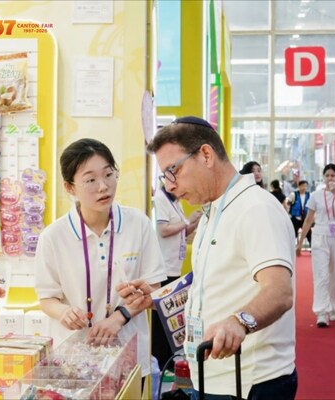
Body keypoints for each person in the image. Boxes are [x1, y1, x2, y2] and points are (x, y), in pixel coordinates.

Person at [118, 116, 297, 399]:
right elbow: (208, 284)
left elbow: (279, 291)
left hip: (249, 381)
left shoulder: (255, 208)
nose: (170, 185)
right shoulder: (211, 212)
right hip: (213, 375)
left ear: (206, 155)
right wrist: (155, 298)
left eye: (173, 170)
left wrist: (239, 321)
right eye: (165, 176)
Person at [34, 138, 166, 379]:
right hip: (74, 360)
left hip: (129, 355)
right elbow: (47, 298)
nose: (103, 186)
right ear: (70, 187)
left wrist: (119, 317)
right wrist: (64, 312)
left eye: (108, 174)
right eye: (90, 180)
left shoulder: (138, 224)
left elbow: (154, 288)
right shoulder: (53, 237)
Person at [151, 184, 202, 369]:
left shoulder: (175, 202)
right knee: (161, 318)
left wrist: (195, 222)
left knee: (170, 317)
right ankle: (161, 360)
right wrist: (188, 221)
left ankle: (168, 358)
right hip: (163, 268)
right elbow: (164, 230)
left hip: (174, 267)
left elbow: (181, 231)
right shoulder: (160, 199)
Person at [296, 164, 335, 327]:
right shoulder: (315, 195)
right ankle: (321, 312)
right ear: (323, 177)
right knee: (321, 275)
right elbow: (308, 219)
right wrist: (300, 242)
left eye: (333, 175)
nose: (330, 178)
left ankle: (334, 308)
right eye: (327, 175)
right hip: (320, 236)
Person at [288, 180, 312, 246]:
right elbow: (288, 203)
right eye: (303, 186)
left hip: (305, 218)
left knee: (309, 234)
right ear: (299, 186)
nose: (304, 188)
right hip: (295, 218)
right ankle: (293, 247)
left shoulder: (309, 195)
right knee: (293, 234)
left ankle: (312, 247)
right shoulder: (293, 195)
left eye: (305, 186)